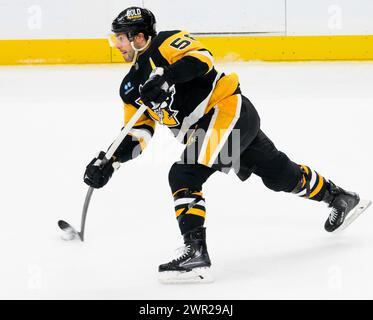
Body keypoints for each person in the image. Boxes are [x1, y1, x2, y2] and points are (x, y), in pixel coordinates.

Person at [83, 7, 371, 283]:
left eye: (121, 38)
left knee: (183, 174)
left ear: (140, 38)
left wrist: (167, 78)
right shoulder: (130, 86)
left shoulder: (165, 42)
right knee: (280, 175)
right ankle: (339, 198)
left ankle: (195, 254)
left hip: (227, 111)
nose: (116, 44)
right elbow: (138, 133)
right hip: (218, 130)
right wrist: (111, 161)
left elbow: (202, 59)